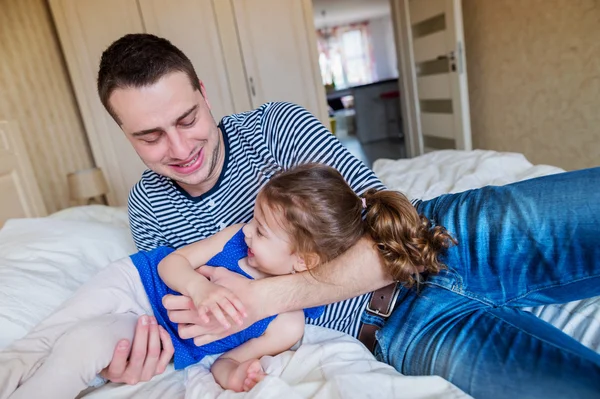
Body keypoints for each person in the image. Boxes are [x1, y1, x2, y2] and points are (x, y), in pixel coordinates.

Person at [96, 33, 600, 398]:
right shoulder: (149, 208)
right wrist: (134, 354)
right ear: (123, 132)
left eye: (187, 119)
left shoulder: (276, 126)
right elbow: (176, 319)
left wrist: (260, 296)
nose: (181, 148)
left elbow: (385, 233)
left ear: (204, 94)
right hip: (394, 328)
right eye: (149, 136)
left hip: (447, 234)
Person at [0, 163, 452, 398]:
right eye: (253, 220)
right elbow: (169, 266)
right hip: (136, 286)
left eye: (261, 230)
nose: (247, 230)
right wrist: (201, 287)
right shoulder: (236, 237)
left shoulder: (287, 324)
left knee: (81, 346)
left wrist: (238, 375)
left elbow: (223, 362)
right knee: (44, 339)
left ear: (303, 262)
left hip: (158, 338)